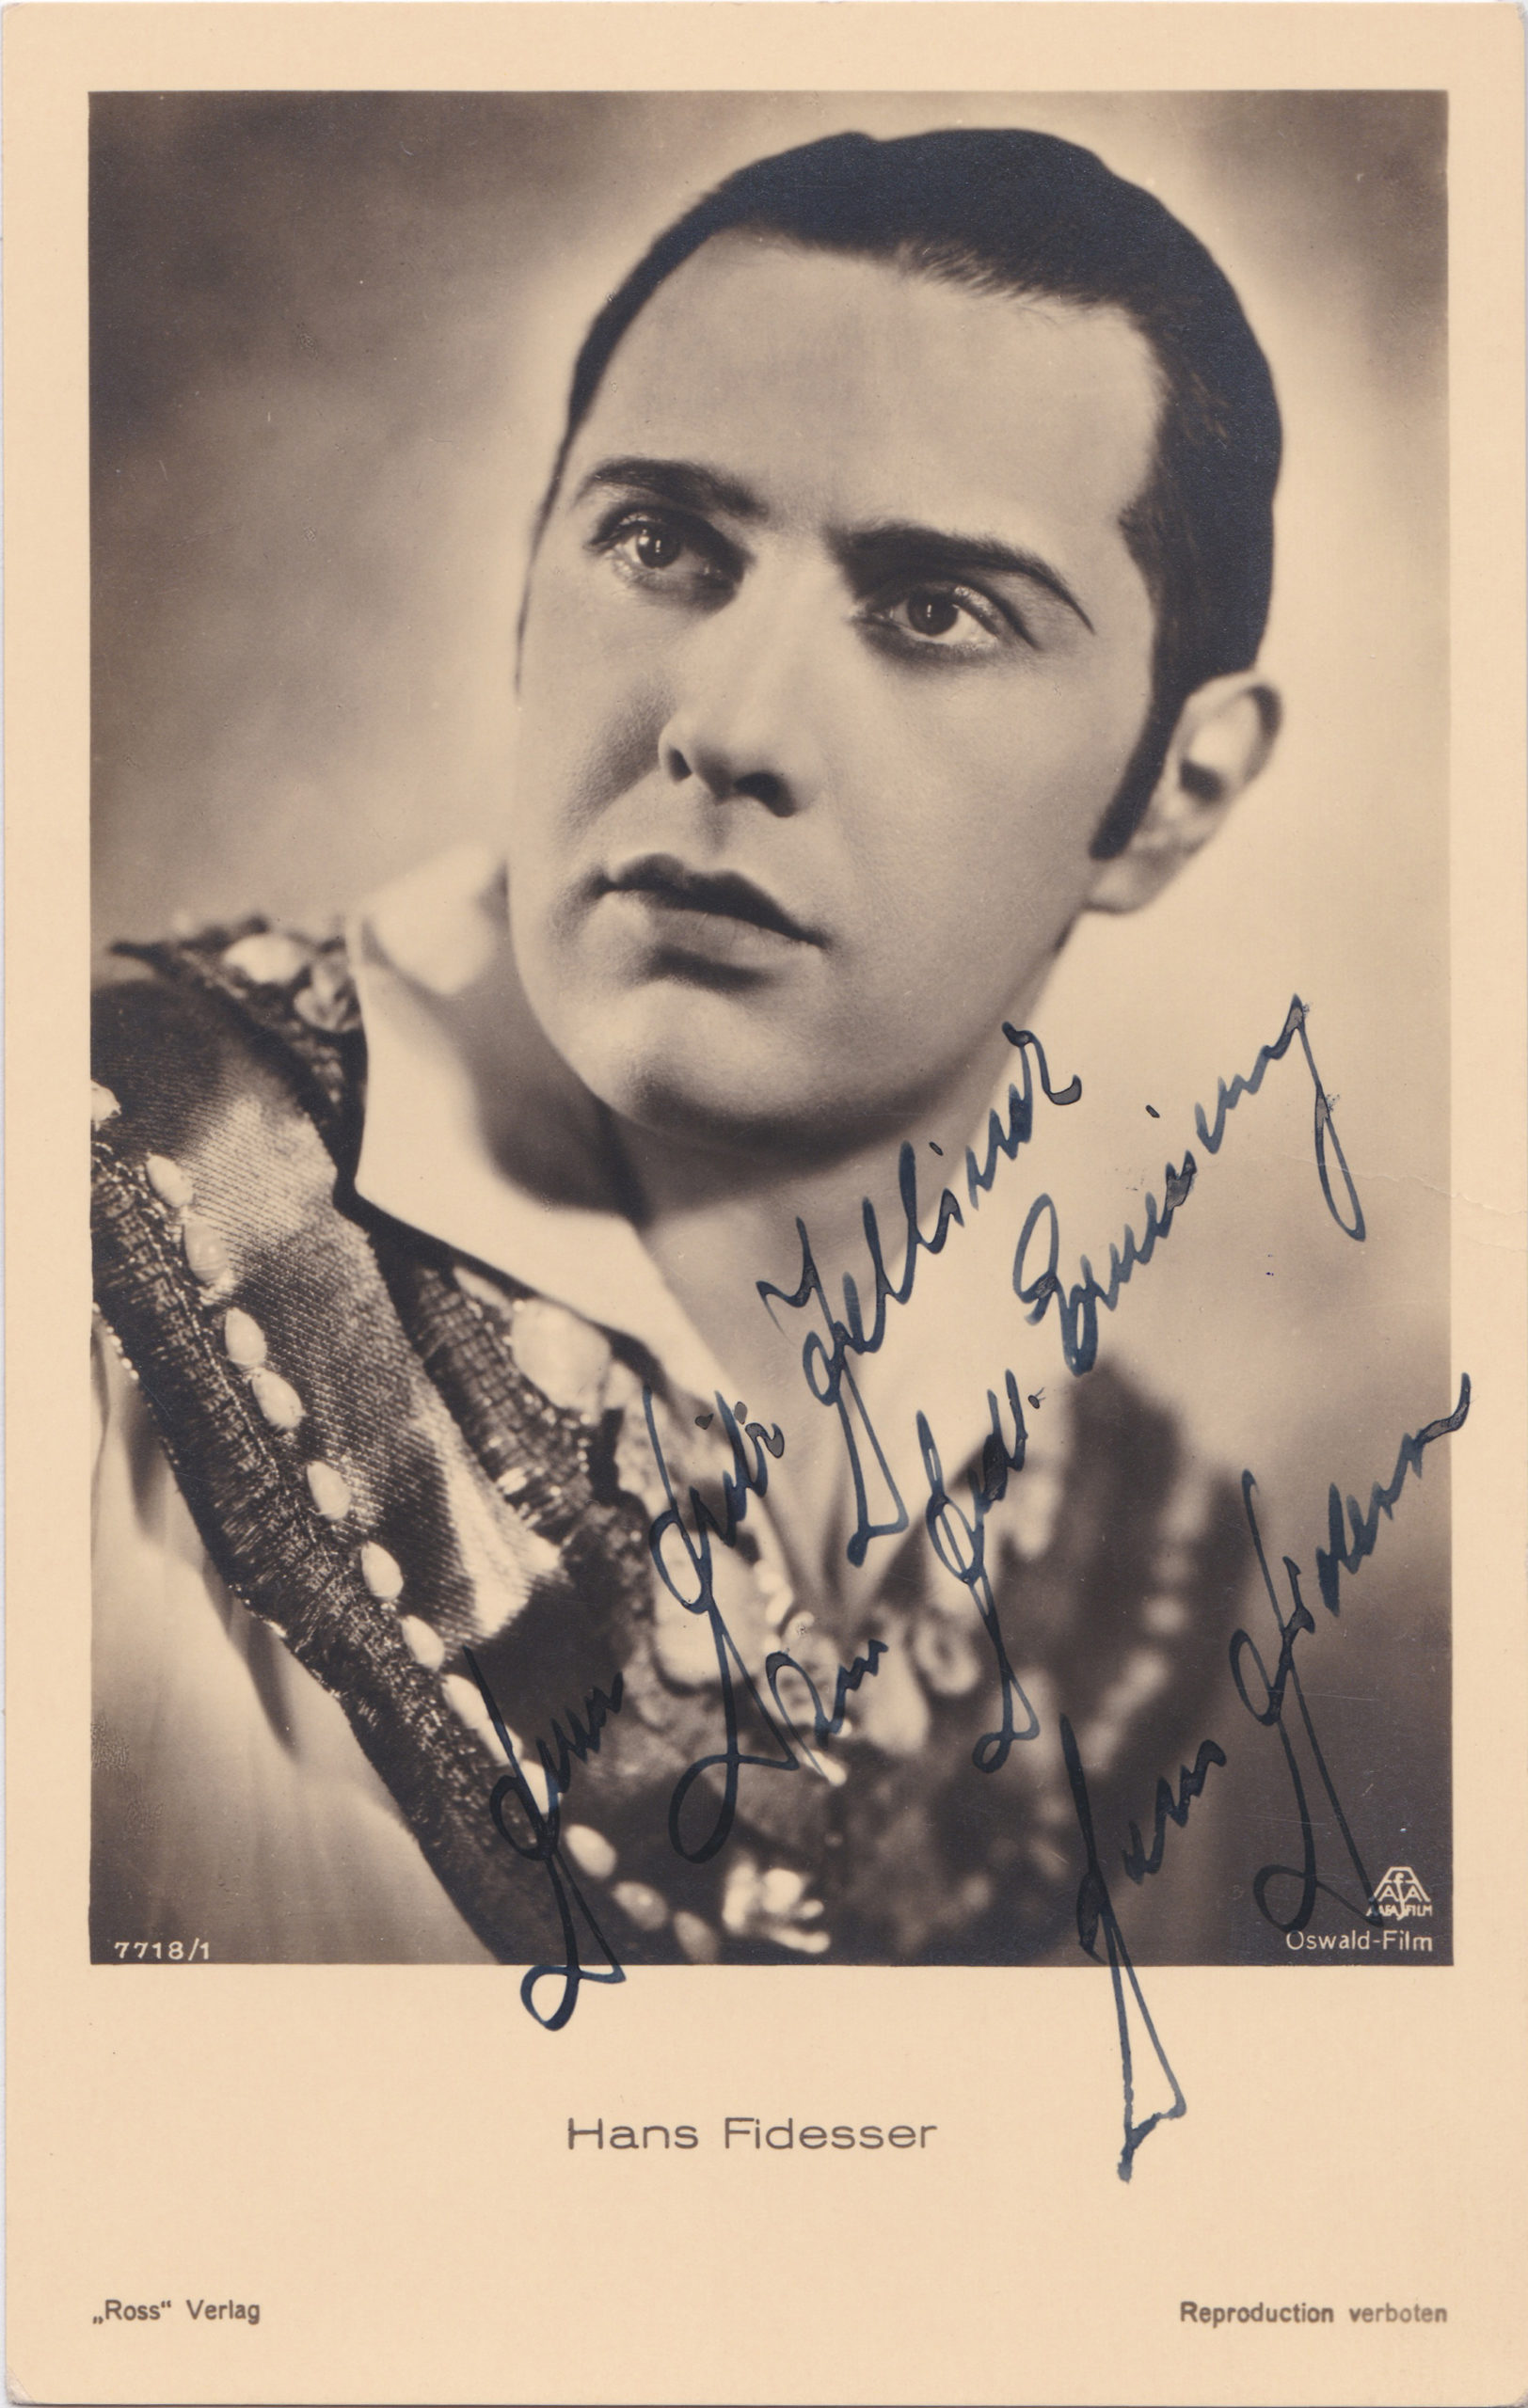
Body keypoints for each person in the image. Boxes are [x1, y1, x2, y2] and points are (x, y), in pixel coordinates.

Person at [91, 126, 1281, 1973]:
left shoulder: (1139, 1561)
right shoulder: (91, 1245)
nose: (727, 725)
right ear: (526, 588)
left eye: (935, 610)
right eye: (659, 543)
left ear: (1172, 796)